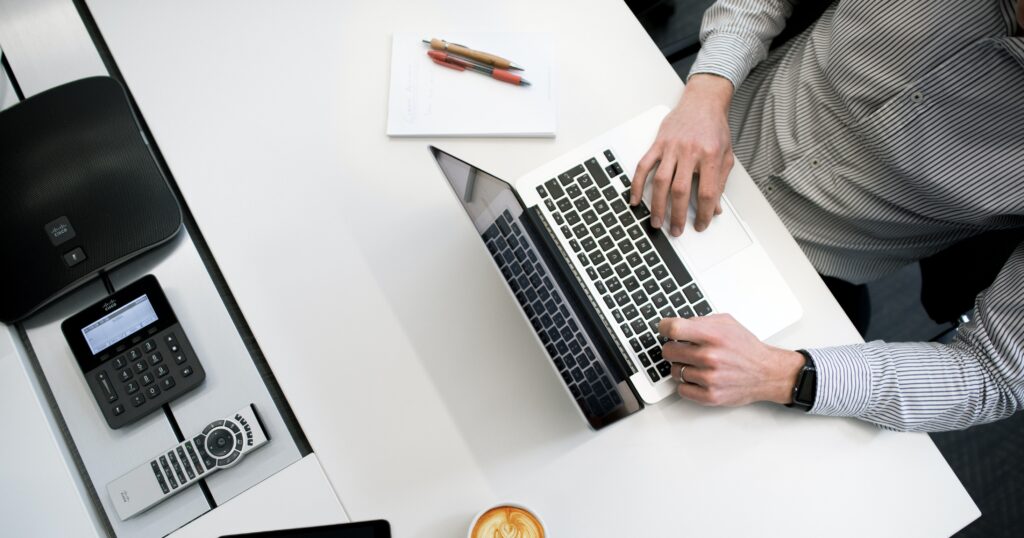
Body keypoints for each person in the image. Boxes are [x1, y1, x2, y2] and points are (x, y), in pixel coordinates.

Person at [633, 0, 1024, 431]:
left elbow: (994, 374)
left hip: (798, 275)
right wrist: (708, 91)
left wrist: (780, 374)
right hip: (688, 130)